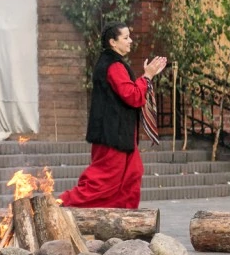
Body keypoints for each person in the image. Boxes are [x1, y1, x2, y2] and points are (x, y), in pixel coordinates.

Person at [59, 22, 167, 209]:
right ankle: (58, 203)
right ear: (113, 42)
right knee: (102, 181)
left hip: (121, 134)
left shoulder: (115, 63)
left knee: (132, 175)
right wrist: (147, 77)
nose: (130, 40)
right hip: (111, 134)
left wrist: (147, 77)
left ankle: (124, 220)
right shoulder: (112, 65)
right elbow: (132, 96)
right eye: (125, 37)